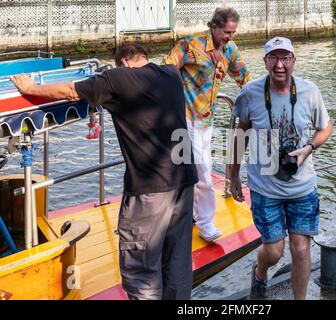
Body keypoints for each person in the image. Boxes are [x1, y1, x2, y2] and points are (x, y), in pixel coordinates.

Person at [10, 44, 198, 300]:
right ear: (143, 57)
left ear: (123, 62)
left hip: (149, 190)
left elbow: (69, 91)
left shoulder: (117, 78)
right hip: (184, 183)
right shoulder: (171, 75)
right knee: (177, 265)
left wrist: (29, 88)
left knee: (142, 270)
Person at [229, 37, 333, 300]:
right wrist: (232, 176)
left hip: (302, 185)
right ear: (265, 62)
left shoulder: (309, 91)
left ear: (293, 61)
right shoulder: (250, 94)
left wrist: (309, 147)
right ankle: (260, 271)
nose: (279, 65)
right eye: (273, 58)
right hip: (265, 186)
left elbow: (326, 128)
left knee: (300, 249)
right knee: (274, 251)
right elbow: (240, 135)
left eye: (285, 58)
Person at [162, 6, 252, 242]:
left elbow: (244, 77)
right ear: (214, 26)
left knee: (190, 167)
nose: (230, 37)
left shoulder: (230, 49)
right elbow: (165, 70)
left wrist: (263, 97)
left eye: (233, 32)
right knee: (202, 170)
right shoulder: (190, 45)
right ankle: (206, 223)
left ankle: (191, 214)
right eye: (226, 32)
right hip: (183, 117)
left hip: (206, 120)